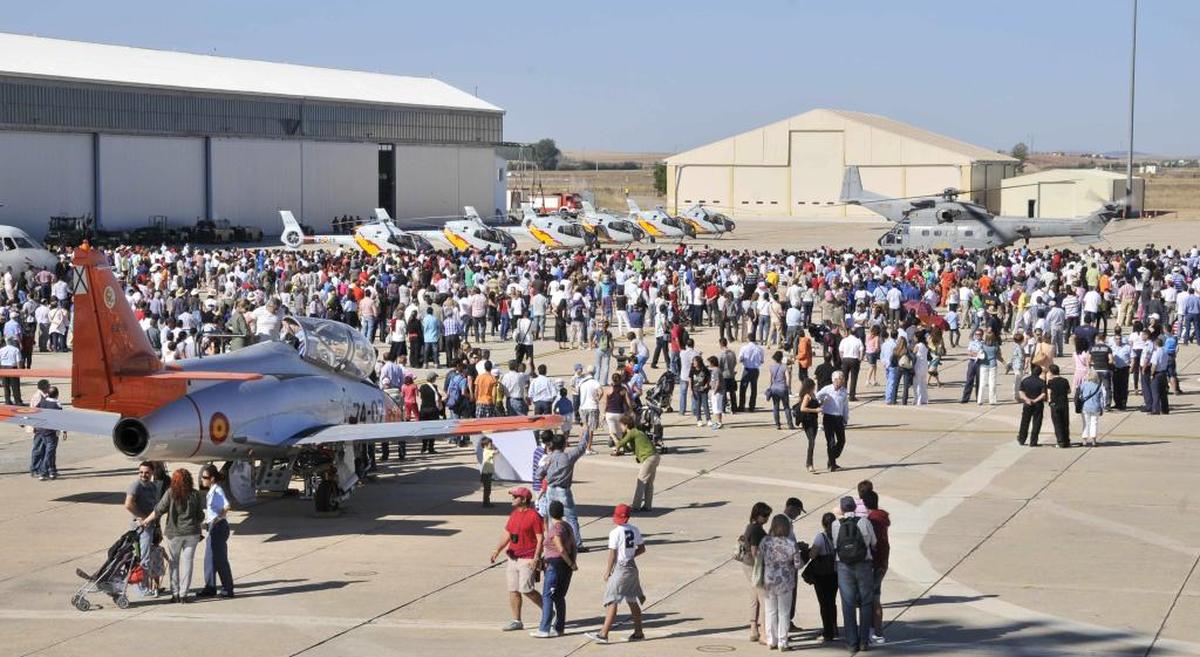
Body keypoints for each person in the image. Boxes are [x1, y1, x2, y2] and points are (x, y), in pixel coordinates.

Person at [140, 468, 205, 603]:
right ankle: (184, 594)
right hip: (192, 533)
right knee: (188, 563)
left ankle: (175, 593)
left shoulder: (170, 493)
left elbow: (159, 510)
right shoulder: (195, 494)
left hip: (174, 533)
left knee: (174, 563)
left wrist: (146, 520)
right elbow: (200, 516)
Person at [585, 504, 646, 644]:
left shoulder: (615, 532)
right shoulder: (634, 529)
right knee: (632, 600)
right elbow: (642, 549)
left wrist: (608, 571)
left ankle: (603, 634)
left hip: (622, 568)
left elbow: (612, 554)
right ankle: (638, 632)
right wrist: (630, 556)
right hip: (632, 567)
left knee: (611, 599)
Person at [489, 487, 544, 631]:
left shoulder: (534, 516)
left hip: (528, 558)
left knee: (526, 589)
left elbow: (540, 538)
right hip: (512, 558)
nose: (512, 499)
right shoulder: (514, 514)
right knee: (513, 590)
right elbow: (507, 534)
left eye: (515, 497)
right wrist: (497, 550)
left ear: (524, 499)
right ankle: (516, 620)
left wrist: (536, 558)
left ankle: (548, 611)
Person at [833, 496, 877, 654]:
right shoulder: (864, 522)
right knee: (866, 602)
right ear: (854, 508)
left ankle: (852, 642)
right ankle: (864, 641)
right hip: (863, 564)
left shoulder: (835, 524)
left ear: (842, 509)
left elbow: (834, 545)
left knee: (848, 603)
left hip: (844, 565)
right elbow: (874, 542)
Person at [530, 500, 577, 639]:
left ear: (551, 513)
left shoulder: (556, 529)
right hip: (566, 565)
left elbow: (560, 548)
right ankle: (559, 628)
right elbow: (573, 546)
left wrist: (570, 563)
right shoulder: (567, 526)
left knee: (548, 596)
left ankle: (544, 628)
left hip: (555, 565)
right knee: (559, 597)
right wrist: (572, 562)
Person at [760, 514, 805, 651]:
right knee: (784, 612)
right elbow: (798, 564)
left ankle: (771, 640)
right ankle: (782, 641)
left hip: (769, 581)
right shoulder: (791, 544)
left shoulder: (766, 542)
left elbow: (759, 558)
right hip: (785, 582)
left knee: (770, 611)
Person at [539, 431, 590, 551]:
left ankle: (554, 541)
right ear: (564, 445)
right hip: (563, 491)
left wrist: (546, 475)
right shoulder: (568, 456)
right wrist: (585, 433)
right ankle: (577, 544)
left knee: (552, 518)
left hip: (551, 490)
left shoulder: (548, 458)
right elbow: (582, 447)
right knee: (571, 518)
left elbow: (538, 474)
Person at [195, 464, 234, 599]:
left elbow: (227, 505)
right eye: (202, 477)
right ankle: (210, 587)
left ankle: (227, 589)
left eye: (205, 477)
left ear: (212, 479)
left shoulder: (217, 489)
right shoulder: (211, 490)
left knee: (220, 559)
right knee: (209, 559)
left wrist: (217, 519)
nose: (202, 480)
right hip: (213, 527)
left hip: (218, 527)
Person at [740, 501, 772, 643]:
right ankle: (764, 632)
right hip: (755, 567)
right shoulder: (756, 529)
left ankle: (753, 629)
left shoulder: (751, 527)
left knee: (754, 597)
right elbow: (754, 551)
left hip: (748, 565)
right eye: (765, 516)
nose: (767, 519)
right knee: (764, 598)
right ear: (757, 515)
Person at [613, 414, 659, 511]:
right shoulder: (637, 432)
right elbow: (630, 448)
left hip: (649, 458)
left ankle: (636, 506)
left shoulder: (632, 432)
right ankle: (647, 506)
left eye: (621, 425)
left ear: (626, 425)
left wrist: (615, 440)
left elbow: (621, 443)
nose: (620, 427)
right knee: (649, 483)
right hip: (655, 456)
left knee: (641, 481)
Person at [862, 489, 890, 646]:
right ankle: (878, 631)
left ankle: (874, 631)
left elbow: (874, 544)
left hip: (874, 565)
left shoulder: (871, 520)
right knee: (876, 599)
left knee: (871, 600)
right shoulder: (882, 518)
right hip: (882, 563)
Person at [807, 512, 840, 644]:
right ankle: (834, 626)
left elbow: (813, 555)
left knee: (824, 603)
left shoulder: (821, 537)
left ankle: (828, 632)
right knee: (832, 601)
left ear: (823, 524)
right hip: (835, 572)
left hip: (822, 575)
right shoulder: (838, 536)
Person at [816, 372, 850, 472]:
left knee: (842, 441)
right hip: (828, 418)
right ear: (834, 380)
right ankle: (832, 464)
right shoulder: (827, 389)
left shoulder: (844, 391)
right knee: (831, 442)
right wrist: (821, 403)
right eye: (840, 379)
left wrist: (845, 417)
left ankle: (831, 459)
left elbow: (845, 406)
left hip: (839, 418)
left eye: (842, 379)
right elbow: (817, 397)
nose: (842, 381)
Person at [30, 386, 62, 480]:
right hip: (51, 432)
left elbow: (35, 411)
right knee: (50, 452)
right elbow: (61, 420)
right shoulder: (57, 405)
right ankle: (43, 472)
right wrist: (64, 431)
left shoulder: (42, 401)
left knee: (47, 451)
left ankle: (52, 471)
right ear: (57, 395)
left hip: (41, 430)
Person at [794, 378, 822, 473]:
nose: (814, 387)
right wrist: (815, 410)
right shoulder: (807, 396)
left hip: (814, 421)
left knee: (812, 441)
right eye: (813, 386)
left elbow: (815, 405)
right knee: (811, 442)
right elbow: (803, 408)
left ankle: (809, 463)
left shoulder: (812, 395)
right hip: (808, 421)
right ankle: (809, 464)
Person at [600, 372, 634, 447]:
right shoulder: (623, 390)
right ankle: (620, 445)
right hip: (620, 412)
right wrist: (630, 410)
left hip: (609, 412)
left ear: (612, 380)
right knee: (620, 432)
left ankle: (616, 446)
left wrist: (603, 413)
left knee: (612, 432)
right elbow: (628, 402)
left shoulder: (608, 389)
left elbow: (605, 402)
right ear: (620, 380)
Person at [1017, 364, 1048, 447]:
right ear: (1040, 373)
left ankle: (1021, 439)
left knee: (1024, 422)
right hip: (1038, 405)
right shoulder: (1041, 382)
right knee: (1036, 423)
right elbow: (1043, 395)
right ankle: (1033, 441)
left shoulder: (1025, 380)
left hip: (1027, 404)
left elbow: (1021, 393)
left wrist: (1027, 399)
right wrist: (1035, 400)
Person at [766, 350, 794, 431]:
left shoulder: (771, 367)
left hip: (774, 388)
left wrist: (770, 388)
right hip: (783, 388)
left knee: (775, 407)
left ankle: (777, 424)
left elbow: (770, 380)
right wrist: (788, 387)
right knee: (786, 407)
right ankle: (790, 424)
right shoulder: (784, 367)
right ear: (781, 358)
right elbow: (788, 378)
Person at [1046, 363, 1072, 448]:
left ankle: (1060, 441)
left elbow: (1049, 393)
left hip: (1055, 404)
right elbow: (1069, 391)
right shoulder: (1064, 380)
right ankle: (1066, 440)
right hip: (1064, 403)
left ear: (1051, 372)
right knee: (1065, 422)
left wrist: (1049, 401)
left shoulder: (1050, 382)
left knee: (1057, 423)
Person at [1077, 370, 1106, 447]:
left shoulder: (1083, 385)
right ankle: (1093, 440)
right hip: (1096, 407)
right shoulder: (1098, 386)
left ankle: (1084, 440)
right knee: (1094, 423)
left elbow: (1079, 395)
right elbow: (1102, 399)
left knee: (1086, 423)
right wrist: (1102, 408)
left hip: (1085, 407)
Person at [417, 371, 443, 454]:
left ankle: (423, 447)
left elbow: (419, 396)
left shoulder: (422, 387)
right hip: (432, 410)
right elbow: (443, 395)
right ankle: (431, 447)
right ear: (433, 378)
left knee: (424, 429)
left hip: (423, 410)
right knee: (432, 429)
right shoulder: (435, 387)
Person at [738, 334, 765, 412]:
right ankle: (752, 406)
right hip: (755, 369)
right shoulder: (760, 349)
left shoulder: (744, 348)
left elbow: (740, 359)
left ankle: (741, 405)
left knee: (743, 388)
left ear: (748, 339)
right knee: (754, 388)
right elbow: (762, 361)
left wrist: (745, 360)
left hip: (746, 369)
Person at [480, 436, 497, 507]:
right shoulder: (487, 452)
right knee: (487, 489)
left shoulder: (487, 450)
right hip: (486, 474)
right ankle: (486, 503)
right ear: (485, 445)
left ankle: (486, 501)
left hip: (487, 474)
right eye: (490, 444)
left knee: (487, 489)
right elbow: (496, 452)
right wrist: (496, 448)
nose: (492, 445)